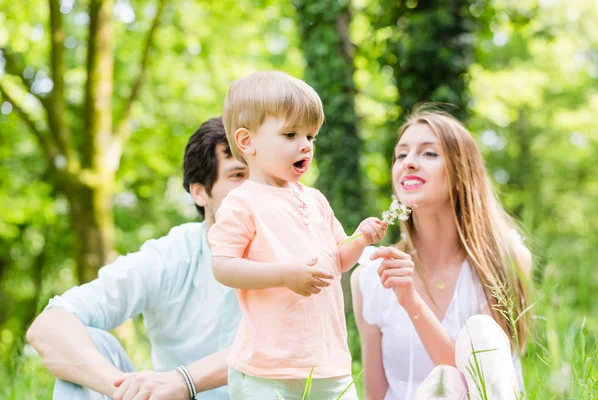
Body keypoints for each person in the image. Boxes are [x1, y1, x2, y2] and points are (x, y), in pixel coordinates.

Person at [26, 117, 249, 400]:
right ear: (200, 192)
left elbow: (281, 347)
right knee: (89, 343)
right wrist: (125, 391)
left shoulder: (295, 256)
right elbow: (49, 327)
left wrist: (185, 381)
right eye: (238, 176)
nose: (254, 190)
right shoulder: (172, 256)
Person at [207, 71, 388, 400]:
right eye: (290, 134)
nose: (304, 144)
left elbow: (338, 261)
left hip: (327, 362)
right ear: (247, 142)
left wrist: (360, 238)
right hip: (269, 371)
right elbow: (223, 266)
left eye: (311, 136)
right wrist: (282, 274)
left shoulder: (315, 199)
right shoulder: (243, 202)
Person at [351, 106, 533, 400]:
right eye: (401, 155)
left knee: (471, 347)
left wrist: (410, 300)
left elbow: (478, 381)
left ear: (462, 171)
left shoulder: (504, 261)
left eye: (429, 153)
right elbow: (375, 394)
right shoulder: (371, 277)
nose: (409, 163)